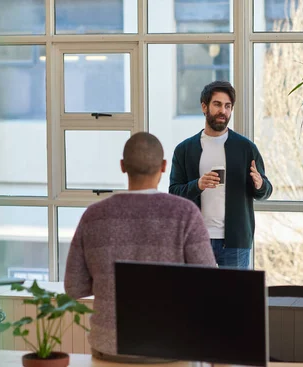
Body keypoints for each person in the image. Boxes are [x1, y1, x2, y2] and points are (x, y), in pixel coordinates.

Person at [64, 132, 216, 362]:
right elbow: (208, 283)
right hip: (172, 346)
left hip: (109, 349)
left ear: (123, 166)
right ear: (164, 166)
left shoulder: (93, 216)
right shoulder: (185, 213)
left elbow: (74, 287)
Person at [169, 80, 273, 269]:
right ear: (204, 106)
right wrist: (198, 185)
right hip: (196, 240)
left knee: (234, 298)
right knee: (197, 297)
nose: (222, 111)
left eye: (227, 106)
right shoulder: (184, 150)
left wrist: (260, 184)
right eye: (217, 104)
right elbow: (174, 193)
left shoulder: (245, 148)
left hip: (236, 242)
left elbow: (265, 191)